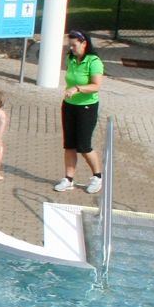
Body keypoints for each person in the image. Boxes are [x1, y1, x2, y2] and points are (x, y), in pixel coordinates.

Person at [55, 29, 106, 194]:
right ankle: (68, 178)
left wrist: (77, 88)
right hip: (69, 105)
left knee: (84, 146)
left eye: (74, 45)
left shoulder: (94, 61)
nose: (71, 49)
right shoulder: (71, 58)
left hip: (87, 107)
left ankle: (97, 176)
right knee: (69, 144)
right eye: (70, 46)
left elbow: (96, 85)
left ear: (84, 43)